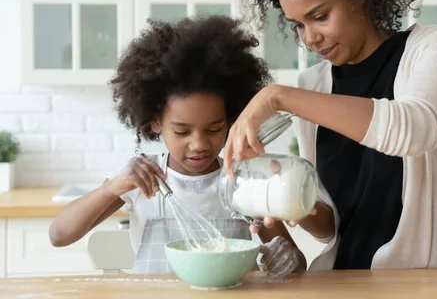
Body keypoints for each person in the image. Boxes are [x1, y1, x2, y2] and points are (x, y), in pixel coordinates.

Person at [224, 0, 437, 270]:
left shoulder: (436, 48)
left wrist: (274, 97)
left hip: (429, 285)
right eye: (297, 25)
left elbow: (414, 130)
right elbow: (332, 227)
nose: (309, 38)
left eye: (320, 16)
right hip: (343, 283)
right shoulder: (312, 86)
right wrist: (295, 202)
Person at [49, 15, 305, 277]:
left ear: (232, 121)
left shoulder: (245, 181)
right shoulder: (142, 179)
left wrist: (285, 260)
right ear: (155, 121)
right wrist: (109, 188)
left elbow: (295, 263)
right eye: (182, 131)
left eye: (214, 129)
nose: (199, 144)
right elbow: (59, 235)